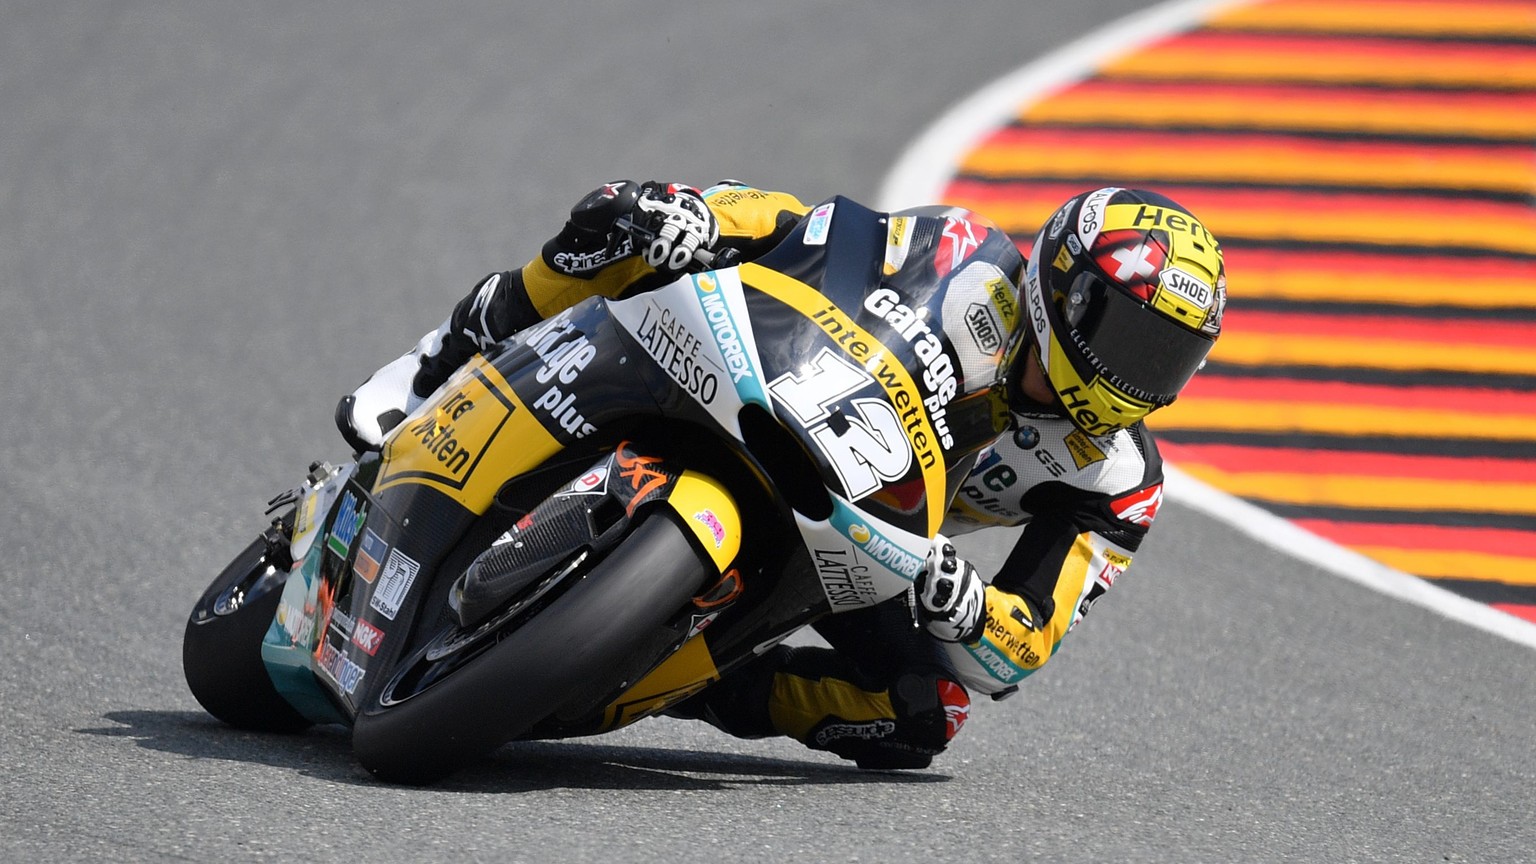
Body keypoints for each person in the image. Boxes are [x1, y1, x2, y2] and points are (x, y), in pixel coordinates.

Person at [338, 179, 1227, 769]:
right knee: (625, 219)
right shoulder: (963, 255)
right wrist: (700, 219)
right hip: (774, 382)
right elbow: (814, 230)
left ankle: (692, 678)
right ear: (1062, 289)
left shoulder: (1117, 478)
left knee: (925, 715)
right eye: (1128, 337)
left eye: (1168, 359)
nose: (1138, 375)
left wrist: (970, 608)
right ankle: (440, 359)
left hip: (877, 544)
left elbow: (1027, 642)